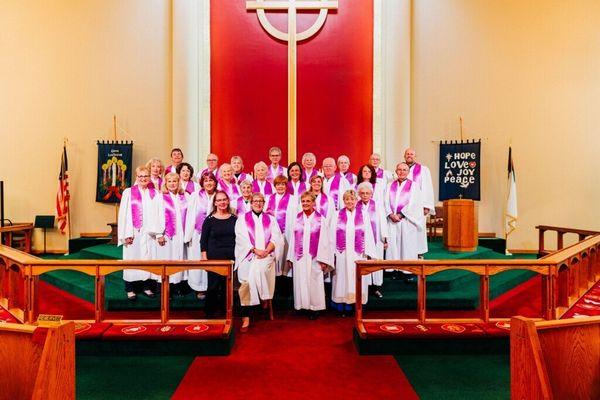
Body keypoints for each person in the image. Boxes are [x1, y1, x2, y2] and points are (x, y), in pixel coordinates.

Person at [234, 193, 284, 331]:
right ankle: (246, 317)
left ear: (264, 203)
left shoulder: (271, 219)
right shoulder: (242, 219)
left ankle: (264, 298)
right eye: (255, 201)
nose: (258, 203)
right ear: (250, 203)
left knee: (262, 272)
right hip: (249, 256)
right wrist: (255, 251)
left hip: (266, 256)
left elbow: (276, 237)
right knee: (246, 283)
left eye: (260, 201)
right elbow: (241, 239)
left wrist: (266, 251)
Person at [118, 165, 163, 300]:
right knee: (132, 259)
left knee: (148, 260)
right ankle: (130, 289)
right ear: (136, 177)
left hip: (149, 234)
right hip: (133, 233)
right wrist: (126, 234)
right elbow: (123, 214)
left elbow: (159, 214)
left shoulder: (155, 193)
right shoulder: (128, 192)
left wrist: (158, 233)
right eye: (140, 176)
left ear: (150, 177)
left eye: (146, 176)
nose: (143, 178)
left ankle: (147, 287)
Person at [286, 192, 333, 319]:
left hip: (315, 257)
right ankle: (302, 306)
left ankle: (314, 308)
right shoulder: (297, 218)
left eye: (308, 201)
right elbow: (293, 238)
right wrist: (290, 257)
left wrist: (323, 260)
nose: (305, 203)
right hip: (299, 257)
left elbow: (325, 241)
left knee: (314, 281)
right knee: (300, 280)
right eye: (303, 201)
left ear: (313, 203)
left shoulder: (320, 219)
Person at [330, 190, 377, 316]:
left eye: (352, 199)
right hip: (342, 253)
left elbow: (369, 234)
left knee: (357, 278)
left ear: (356, 201)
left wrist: (369, 253)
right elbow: (331, 235)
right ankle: (342, 307)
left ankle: (356, 307)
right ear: (343, 201)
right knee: (341, 278)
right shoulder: (336, 215)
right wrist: (332, 253)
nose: (349, 202)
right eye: (347, 199)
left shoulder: (364, 214)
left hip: (358, 253)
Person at [200, 191, 237, 318]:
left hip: (230, 258)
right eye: (219, 200)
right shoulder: (209, 220)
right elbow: (203, 240)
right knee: (213, 286)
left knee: (227, 287)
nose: (222, 202)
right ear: (215, 203)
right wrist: (204, 258)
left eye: (224, 200)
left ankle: (226, 312)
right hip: (214, 258)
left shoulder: (234, 219)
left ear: (228, 201)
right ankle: (209, 313)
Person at [385, 163, 425, 270]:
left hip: (407, 221)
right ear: (396, 171)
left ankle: (408, 270)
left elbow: (415, 203)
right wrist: (390, 214)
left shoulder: (414, 186)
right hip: (392, 220)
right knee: (393, 246)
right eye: (399, 169)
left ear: (408, 172)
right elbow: (385, 202)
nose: (402, 172)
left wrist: (401, 214)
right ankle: (393, 268)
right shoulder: (389, 185)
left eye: (404, 170)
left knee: (407, 246)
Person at [185, 172, 218, 298]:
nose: (208, 183)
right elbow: (190, 216)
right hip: (197, 233)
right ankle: (199, 288)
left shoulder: (219, 195)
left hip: (214, 236)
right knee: (197, 259)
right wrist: (188, 236)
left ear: (215, 182)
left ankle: (211, 287)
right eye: (206, 181)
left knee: (211, 260)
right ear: (202, 183)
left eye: (211, 180)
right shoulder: (195, 196)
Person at [156, 172, 189, 296]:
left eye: (174, 181)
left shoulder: (184, 196)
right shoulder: (160, 197)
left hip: (181, 235)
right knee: (167, 260)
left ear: (178, 182)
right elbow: (156, 216)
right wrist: (159, 234)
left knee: (180, 259)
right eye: (169, 181)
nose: (172, 183)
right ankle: (164, 290)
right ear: (165, 183)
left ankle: (177, 287)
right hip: (167, 235)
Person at [357, 181, 388, 298]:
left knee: (376, 262)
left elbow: (383, 222)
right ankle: (364, 287)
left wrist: (385, 239)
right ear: (359, 194)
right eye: (362, 193)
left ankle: (376, 288)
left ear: (371, 194)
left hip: (376, 240)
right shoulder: (356, 205)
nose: (365, 195)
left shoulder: (378, 205)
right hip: (361, 241)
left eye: (367, 193)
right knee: (364, 262)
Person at [404, 148, 435, 257]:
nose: (409, 156)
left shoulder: (423, 169)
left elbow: (427, 188)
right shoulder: (401, 168)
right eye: (407, 154)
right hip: (404, 207)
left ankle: (418, 253)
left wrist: (426, 206)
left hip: (418, 206)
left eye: (412, 154)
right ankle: (405, 252)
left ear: (415, 156)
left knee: (418, 229)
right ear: (404, 156)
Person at [265, 175, 296, 276]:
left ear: (286, 186)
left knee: (285, 258)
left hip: (287, 232)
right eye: (278, 184)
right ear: (275, 186)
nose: (280, 187)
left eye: (283, 184)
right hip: (272, 235)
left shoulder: (293, 199)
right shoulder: (269, 198)